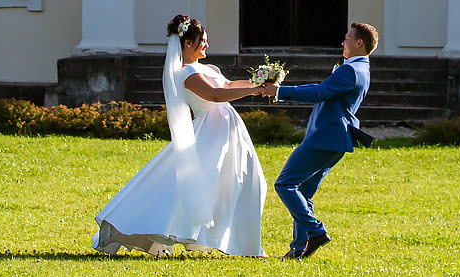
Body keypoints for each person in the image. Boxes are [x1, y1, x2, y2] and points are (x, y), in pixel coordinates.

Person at [93, 14, 276, 256]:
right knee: (201, 185)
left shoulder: (209, 68)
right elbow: (214, 95)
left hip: (229, 132)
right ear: (188, 43)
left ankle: (237, 241)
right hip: (210, 134)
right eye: (203, 41)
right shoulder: (186, 73)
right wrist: (253, 91)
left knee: (244, 183)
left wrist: (259, 82)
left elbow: (228, 85)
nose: (207, 45)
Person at [272, 22, 375, 260]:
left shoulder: (351, 71)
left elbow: (319, 92)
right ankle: (298, 249)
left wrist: (279, 92)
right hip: (334, 140)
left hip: (325, 138)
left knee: (284, 184)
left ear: (359, 43)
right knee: (304, 193)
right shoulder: (359, 69)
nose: (343, 42)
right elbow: (323, 90)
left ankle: (316, 231)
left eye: (347, 38)